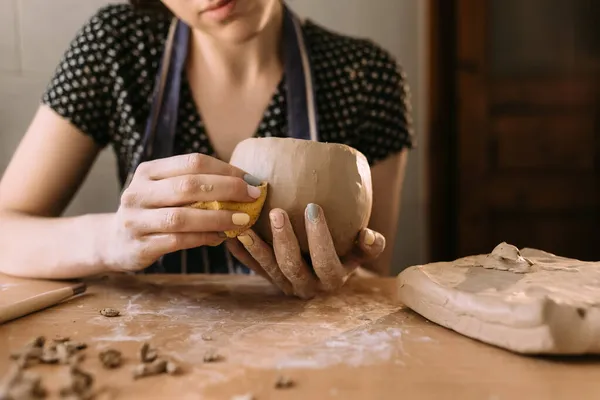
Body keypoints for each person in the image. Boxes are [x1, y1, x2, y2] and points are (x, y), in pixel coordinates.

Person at [0, 0, 414, 299]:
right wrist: (111, 238)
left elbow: (372, 270)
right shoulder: (117, 46)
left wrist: (340, 280)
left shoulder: (367, 76)